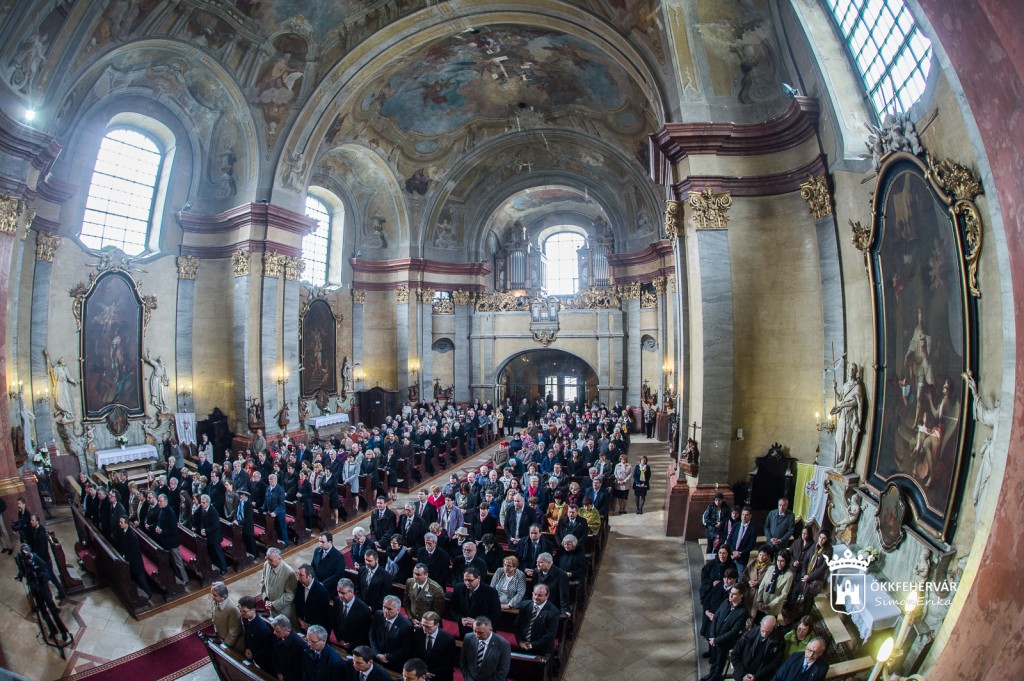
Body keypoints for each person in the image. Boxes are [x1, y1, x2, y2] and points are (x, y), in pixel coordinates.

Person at [701, 586, 748, 681]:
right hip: (714, 638)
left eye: (734, 594)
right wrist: (712, 636)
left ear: (741, 596)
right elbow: (715, 618)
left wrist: (716, 640)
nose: (731, 595)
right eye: (731, 592)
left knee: (719, 662)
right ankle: (711, 675)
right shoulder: (726, 602)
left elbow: (734, 631)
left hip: (724, 642)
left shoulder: (743, 611)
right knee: (714, 659)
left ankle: (715, 677)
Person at [830, 362, 865, 475]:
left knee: (847, 439)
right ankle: (842, 460)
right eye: (849, 368)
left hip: (850, 414)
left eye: (853, 369)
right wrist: (835, 389)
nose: (850, 370)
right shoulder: (845, 385)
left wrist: (844, 405)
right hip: (843, 414)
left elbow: (856, 402)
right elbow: (840, 398)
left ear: (856, 372)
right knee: (839, 437)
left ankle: (846, 464)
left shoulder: (857, 387)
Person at [731, 615, 785, 681]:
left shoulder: (779, 641)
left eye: (768, 631)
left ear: (775, 626)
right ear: (760, 623)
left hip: (761, 677)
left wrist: (756, 676)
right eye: (762, 630)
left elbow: (775, 662)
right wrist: (743, 674)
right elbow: (735, 655)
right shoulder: (748, 635)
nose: (764, 634)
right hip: (741, 676)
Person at [451, 567, 502, 636]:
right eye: (465, 580)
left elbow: (496, 615)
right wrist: (461, 619)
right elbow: (453, 608)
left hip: (483, 631)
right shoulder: (458, 588)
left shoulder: (491, 593)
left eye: (470, 580)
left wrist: (477, 622)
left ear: (478, 578)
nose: (467, 583)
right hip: (464, 629)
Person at [369, 594, 413, 670]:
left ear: (398, 610)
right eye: (384, 607)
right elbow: (372, 635)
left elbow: (405, 649)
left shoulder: (406, 626)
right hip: (376, 658)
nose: (385, 611)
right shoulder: (378, 614)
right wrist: (377, 653)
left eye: (389, 609)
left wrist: (386, 656)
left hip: (393, 663)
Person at [460, 616, 511, 681]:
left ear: (490, 629)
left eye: (481, 632)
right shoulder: (468, 638)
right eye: (474, 631)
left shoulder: (503, 644)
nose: (477, 635)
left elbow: (503, 670)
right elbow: (463, 661)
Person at [154, 493, 190, 584]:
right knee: (173, 561)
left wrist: (162, 531)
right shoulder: (162, 510)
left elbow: (173, 530)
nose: (158, 502)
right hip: (165, 541)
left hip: (172, 542)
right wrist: (158, 527)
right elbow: (160, 522)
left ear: (165, 501)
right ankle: (178, 576)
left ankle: (185, 579)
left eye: (160, 501)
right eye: (158, 501)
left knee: (178, 562)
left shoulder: (170, 513)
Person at [514, 583, 559, 654]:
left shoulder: (553, 612)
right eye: (535, 594)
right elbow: (517, 625)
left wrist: (532, 645)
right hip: (522, 646)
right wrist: (520, 642)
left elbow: (550, 634)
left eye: (540, 595)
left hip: (541, 650)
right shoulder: (524, 605)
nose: (536, 597)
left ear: (547, 596)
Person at [412, 611, 455, 681]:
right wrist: (422, 671)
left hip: (440, 676)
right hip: (420, 673)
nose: (424, 628)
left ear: (437, 625)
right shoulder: (418, 633)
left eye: (428, 626)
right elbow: (414, 654)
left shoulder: (448, 640)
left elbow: (447, 663)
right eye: (423, 625)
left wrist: (429, 673)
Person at [118, 515, 152, 600]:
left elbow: (134, 551)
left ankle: (149, 593)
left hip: (135, 560)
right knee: (138, 577)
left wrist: (126, 558)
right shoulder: (124, 531)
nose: (119, 523)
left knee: (141, 577)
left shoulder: (131, 535)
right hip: (131, 558)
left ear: (126, 524)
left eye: (121, 522)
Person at [240, 594, 277, 674]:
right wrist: (247, 648)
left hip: (264, 662)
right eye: (241, 611)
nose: (242, 613)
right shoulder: (245, 619)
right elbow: (246, 635)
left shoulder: (262, 627)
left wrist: (253, 656)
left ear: (253, 610)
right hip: (253, 655)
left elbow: (268, 648)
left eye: (245, 611)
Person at [332, 578, 372, 650]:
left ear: (352, 592)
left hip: (355, 647)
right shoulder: (337, 601)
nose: (340, 595)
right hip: (340, 642)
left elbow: (364, 633)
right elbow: (335, 622)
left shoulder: (364, 610)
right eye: (338, 592)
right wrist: (339, 638)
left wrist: (351, 644)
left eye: (343, 593)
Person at [260, 548, 297, 624]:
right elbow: (263, 582)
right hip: (271, 608)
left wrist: (274, 604)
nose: (268, 562)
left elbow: (290, 595)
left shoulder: (289, 572)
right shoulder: (266, 564)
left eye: (271, 560)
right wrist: (266, 598)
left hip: (283, 611)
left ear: (279, 558)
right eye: (267, 558)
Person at [754, 551, 795, 621]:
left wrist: (770, 605)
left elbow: (783, 594)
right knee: (758, 621)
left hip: (773, 606)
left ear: (787, 562)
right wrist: (759, 600)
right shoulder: (771, 568)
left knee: (769, 624)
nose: (779, 563)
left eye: (782, 561)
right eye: (778, 560)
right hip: (762, 602)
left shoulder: (789, 575)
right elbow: (762, 585)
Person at [197, 494, 228, 576]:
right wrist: (202, 529)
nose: (201, 504)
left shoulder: (213, 512)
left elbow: (215, 526)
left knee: (219, 553)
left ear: (208, 503)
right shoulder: (203, 510)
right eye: (201, 502)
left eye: (203, 502)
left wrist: (206, 531)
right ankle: (216, 565)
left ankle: (224, 569)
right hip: (209, 535)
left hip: (215, 536)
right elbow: (202, 521)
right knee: (212, 552)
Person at [295, 563, 332, 632]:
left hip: (317, 628)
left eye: (301, 575)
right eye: (297, 574)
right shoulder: (299, 584)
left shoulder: (321, 591)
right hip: (302, 624)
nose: (298, 577)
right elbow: (297, 603)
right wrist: (300, 619)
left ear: (309, 576)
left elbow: (322, 614)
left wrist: (310, 625)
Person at [210, 581, 244, 653]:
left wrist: (225, 646)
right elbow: (213, 616)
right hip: (221, 637)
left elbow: (234, 632)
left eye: (214, 595)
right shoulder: (215, 601)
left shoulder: (232, 610)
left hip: (234, 645)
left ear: (222, 597)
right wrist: (216, 632)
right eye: (212, 593)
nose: (212, 596)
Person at [271, 614, 308, 681]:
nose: (274, 632)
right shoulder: (277, 636)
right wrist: (278, 672)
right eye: (274, 630)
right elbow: (274, 654)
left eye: (277, 631)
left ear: (288, 630)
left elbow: (297, 668)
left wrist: (285, 678)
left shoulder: (298, 644)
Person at [312, 531, 347, 595]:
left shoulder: (338, 556)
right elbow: (312, 567)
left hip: (330, 589)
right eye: (319, 541)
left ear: (330, 542)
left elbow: (337, 575)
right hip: (317, 585)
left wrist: (323, 584)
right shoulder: (317, 551)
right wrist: (316, 582)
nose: (320, 544)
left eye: (323, 542)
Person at [262, 473, 289, 547]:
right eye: (269, 479)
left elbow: (281, 504)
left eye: (271, 479)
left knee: (282, 528)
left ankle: (285, 543)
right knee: (274, 528)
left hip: (279, 513)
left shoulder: (280, 490)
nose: (270, 481)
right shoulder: (268, 488)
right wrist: (263, 508)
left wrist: (275, 512)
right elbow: (266, 500)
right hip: (270, 513)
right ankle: (276, 542)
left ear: (275, 480)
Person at [727, 506, 756, 570]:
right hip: (731, 555)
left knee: (741, 575)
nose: (744, 517)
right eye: (743, 514)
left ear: (750, 516)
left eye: (747, 515)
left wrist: (740, 553)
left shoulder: (753, 529)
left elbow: (751, 546)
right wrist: (733, 551)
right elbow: (729, 540)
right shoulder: (736, 525)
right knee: (729, 574)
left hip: (742, 558)